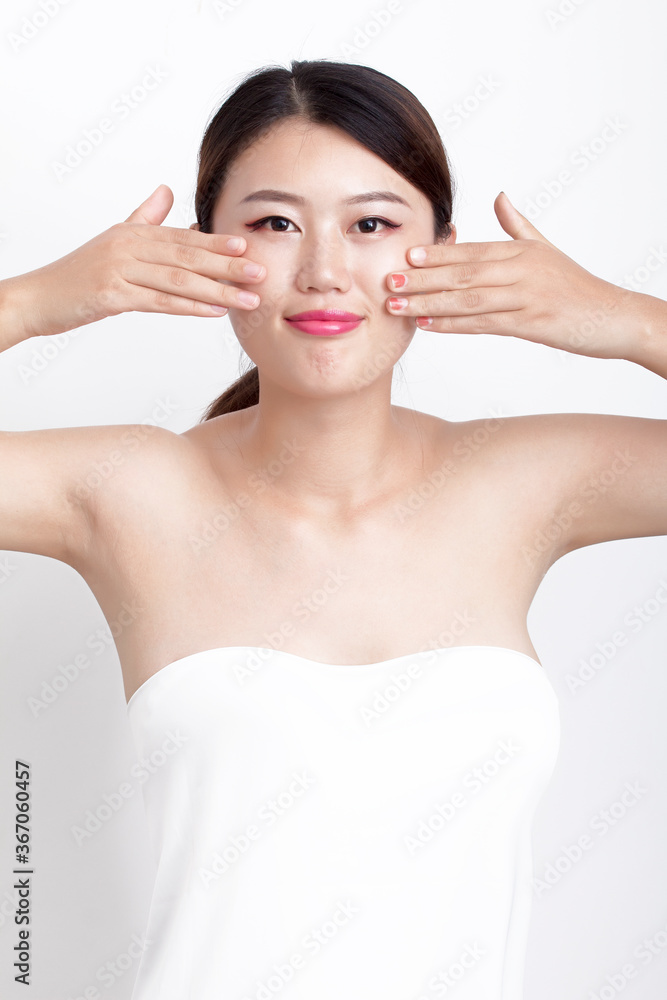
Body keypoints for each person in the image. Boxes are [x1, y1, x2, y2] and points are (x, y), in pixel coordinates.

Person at [1, 58, 665, 999]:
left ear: (441, 246)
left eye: (371, 225)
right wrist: (31, 301)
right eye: (274, 223)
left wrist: (629, 320)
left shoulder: (524, 481)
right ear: (201, 248)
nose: (321, 271)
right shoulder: (130, 491)